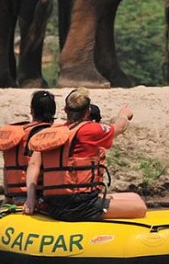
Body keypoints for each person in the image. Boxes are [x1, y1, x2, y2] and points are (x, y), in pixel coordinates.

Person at [23, 88, 147, 221]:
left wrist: (30, 199)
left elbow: (34, 164)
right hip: (81, 206)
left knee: (134, 197)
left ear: (65, 109)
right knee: (140, 207)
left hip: (54, 205)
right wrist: (123, 115)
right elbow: (120, 127)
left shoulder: (52, 132)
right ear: (88, 111)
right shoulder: (89, 129)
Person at [0, 90, 56, 204]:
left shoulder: (18, 134)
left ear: (31, 110)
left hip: (14, 197)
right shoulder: (51, 135)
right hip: (40, 199)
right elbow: (34, 165)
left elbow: (6, 169)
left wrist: (7, 197)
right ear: (53, 111)